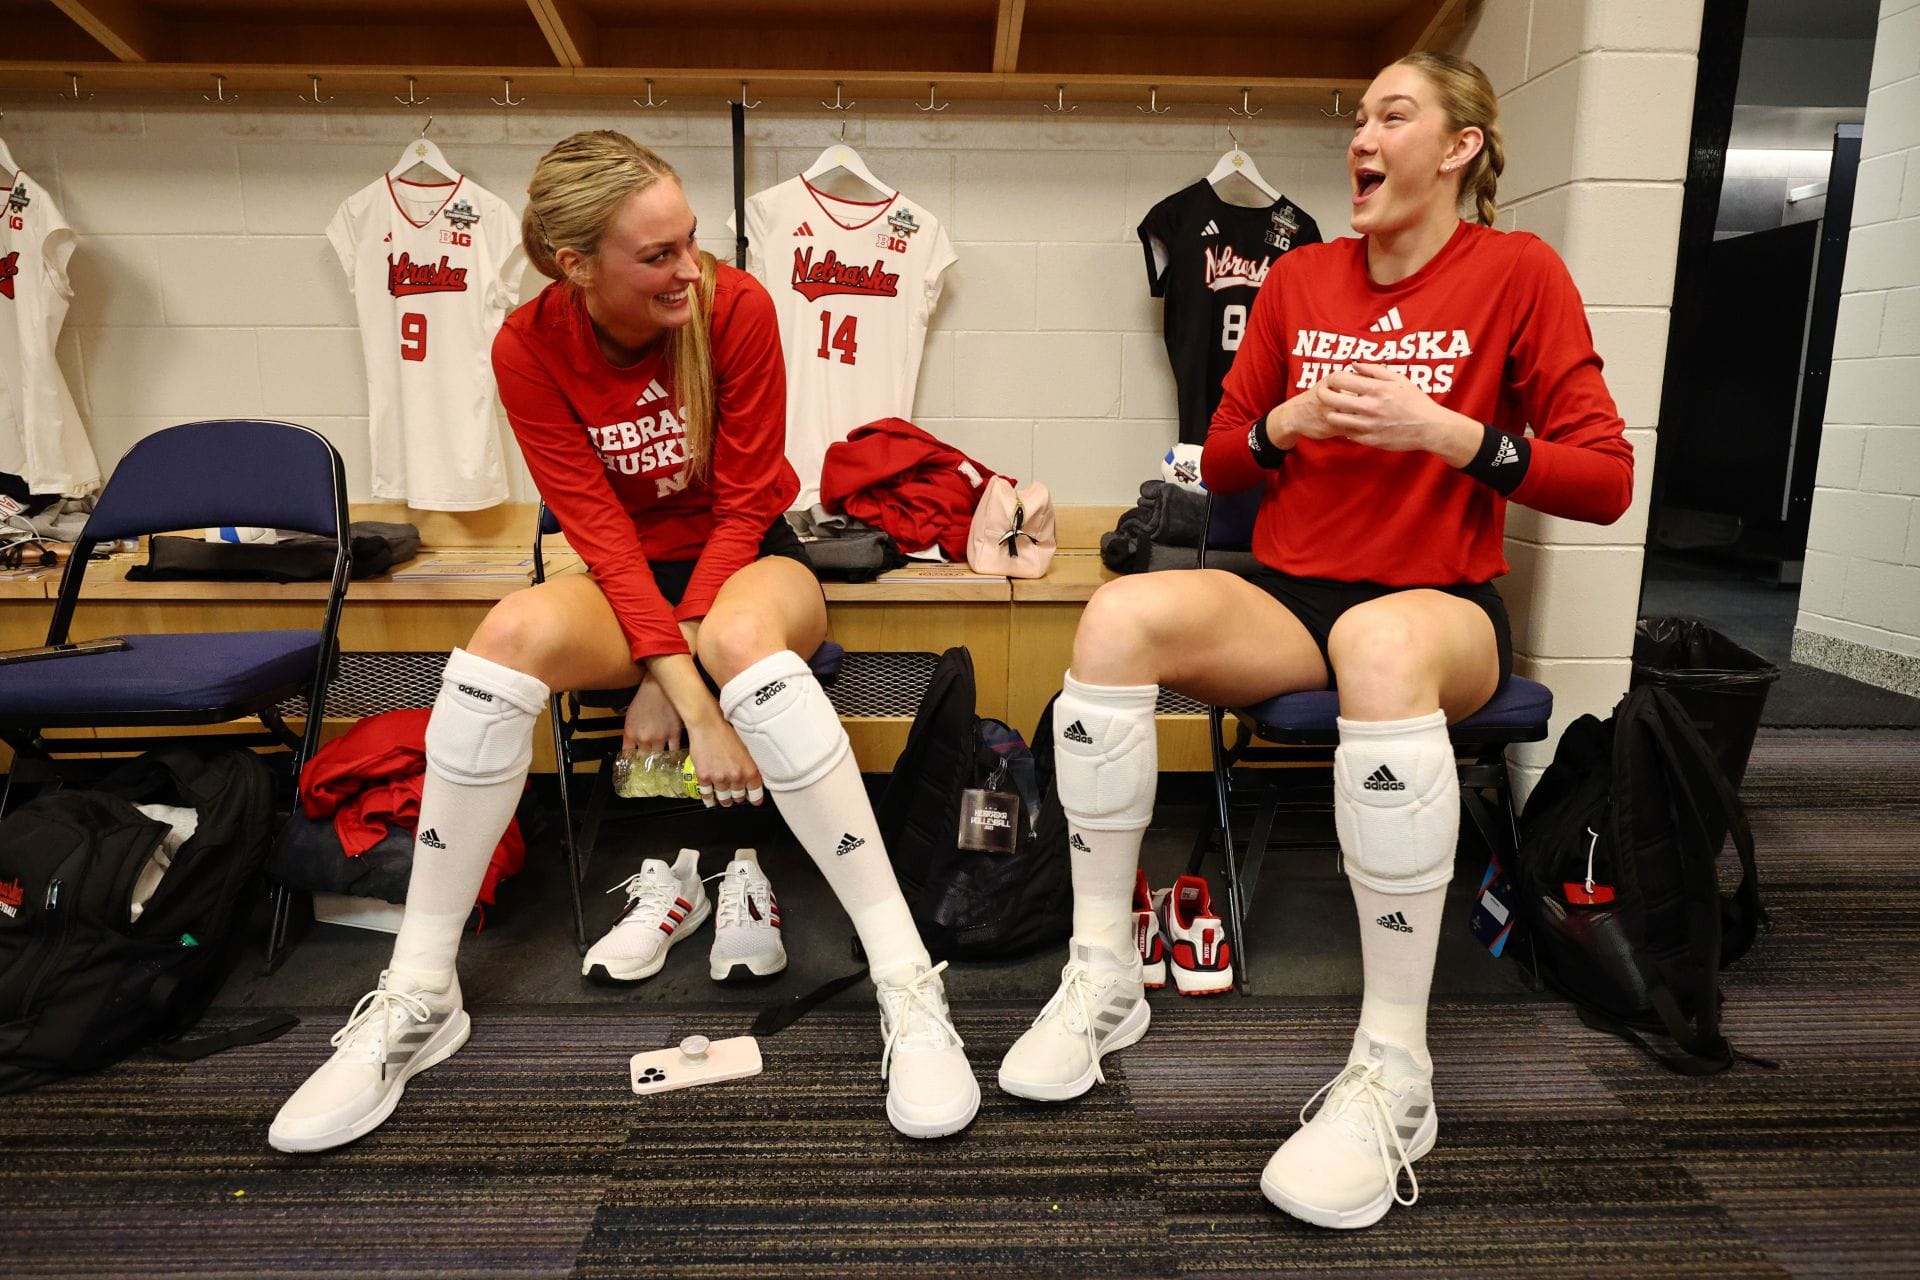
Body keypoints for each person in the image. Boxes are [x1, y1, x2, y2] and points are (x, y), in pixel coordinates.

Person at [996, 52, 1633, 1229]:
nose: (1362, 137)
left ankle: (1397, 1068)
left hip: (1440, 609)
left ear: (1459, 148)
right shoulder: (1298, 277)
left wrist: (1457, 434)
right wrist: (1281, 422)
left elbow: (1604, 481)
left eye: (1393, 115)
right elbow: (1225, 452)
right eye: (1356, 118)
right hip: (1292, 597)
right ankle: (1101, 976)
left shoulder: (1518, 273)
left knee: (1383, 646)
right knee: (1118, 615)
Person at [270, 131, 978, 1151]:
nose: (689, 268)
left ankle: (907, 983)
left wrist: (676, 675)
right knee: (503, 636)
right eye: (657, 256)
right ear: (575, 264)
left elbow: (741, 507)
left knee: (742, 636)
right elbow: (599, 537)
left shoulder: (735, 306)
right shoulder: (524, 346)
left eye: (690, 240)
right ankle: (419, 996)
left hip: (745, 558)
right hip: (618, 575)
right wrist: (682, 693)